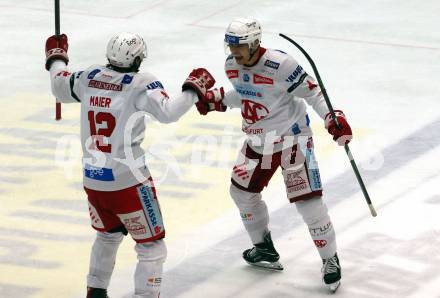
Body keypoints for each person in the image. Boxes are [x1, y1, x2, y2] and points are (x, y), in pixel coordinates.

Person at [45, 32, 216, 298]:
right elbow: (169, 112)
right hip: (128, 181)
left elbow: (58, 85)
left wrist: (57, 57)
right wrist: (193, 90)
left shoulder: (90, 76)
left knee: (108, 235)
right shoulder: (139, 82)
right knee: (152, 246)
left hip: (93, 179)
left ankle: (96, 291)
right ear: (136, 58)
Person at [195, 18, 353, 292]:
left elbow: (313, 93)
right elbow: (246, 94)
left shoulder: (281, 64)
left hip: (293, 140)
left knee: (308, 203)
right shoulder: (232, 65)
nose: (234, 52)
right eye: (230, 46)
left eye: (240, 46)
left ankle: (330, 260)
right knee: (241, 193)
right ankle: (264, 248)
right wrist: (218, 99)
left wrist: (332, 116)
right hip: (257, 141)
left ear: (255, 42)